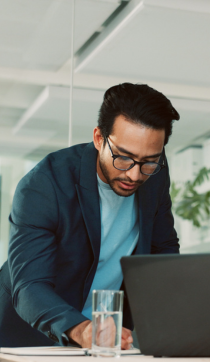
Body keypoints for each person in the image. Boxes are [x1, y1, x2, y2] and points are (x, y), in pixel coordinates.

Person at [0, 83, 180, 348]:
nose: (134, 174)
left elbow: (163, 251)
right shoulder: (44, 184)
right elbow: (29, 286)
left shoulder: (154, 176)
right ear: (98, 138)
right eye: (124, 158)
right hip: (29, 340)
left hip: (109, 340)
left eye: (149, 161)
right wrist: (83, 330)